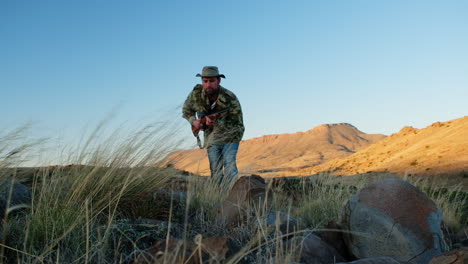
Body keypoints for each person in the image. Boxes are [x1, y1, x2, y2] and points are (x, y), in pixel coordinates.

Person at [182, 66, 244, 184]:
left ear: (218, 81)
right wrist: (194, 121)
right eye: (205, 81)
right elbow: (186, 110)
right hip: (211, 138)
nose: (208, 84)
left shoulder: (230, 97)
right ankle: (218, 197)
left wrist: (216, 122)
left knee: (229, 166)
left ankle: (234, 197)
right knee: (215, 170)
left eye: (212, 81)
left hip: (231, 136)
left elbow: (238, 123)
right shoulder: (196, 94)